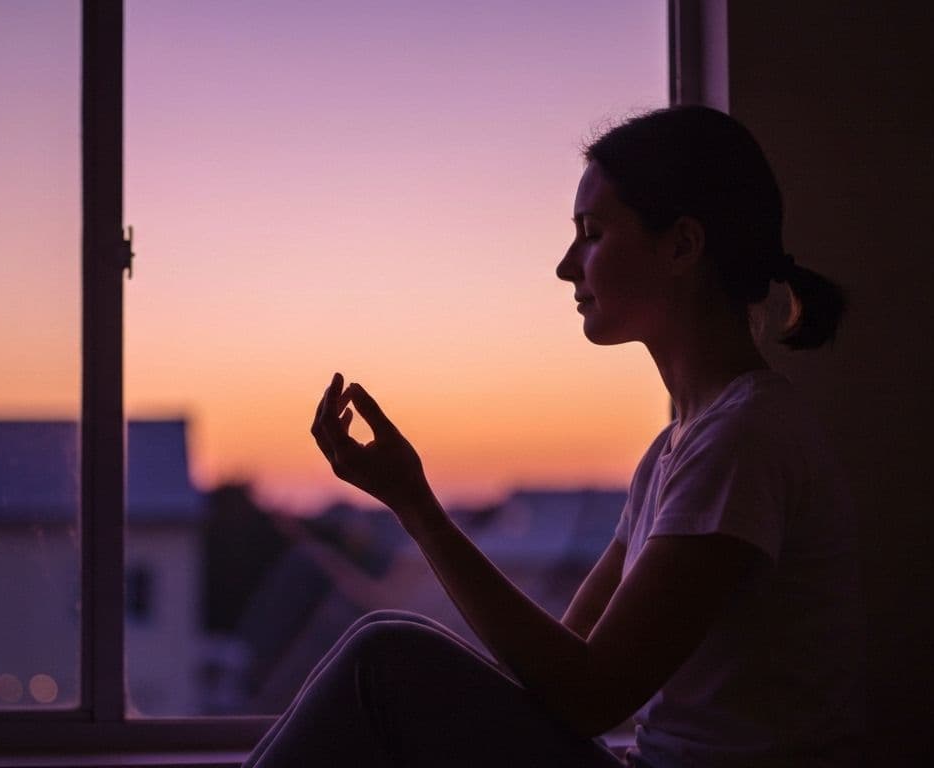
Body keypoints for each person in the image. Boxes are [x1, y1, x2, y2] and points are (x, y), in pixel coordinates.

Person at [245, 105, 859, 768]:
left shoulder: (743, 439)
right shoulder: (676, 450)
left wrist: (417, 507)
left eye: (592, 234)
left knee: (383, 657)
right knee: (387, 657)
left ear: (681, 245)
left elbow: (591, 696)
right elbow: (556, 668)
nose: (568, 267)